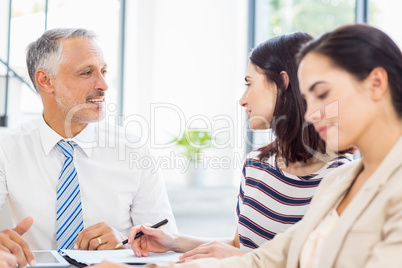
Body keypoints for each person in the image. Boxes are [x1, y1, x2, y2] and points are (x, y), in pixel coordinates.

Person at [131, 23, 402, 268]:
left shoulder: (348, 177)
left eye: (322, 94)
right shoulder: (341, 182)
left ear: (376, 84)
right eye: (308, 97)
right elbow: (263, 258)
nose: (310, 113)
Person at [0, 28, 177, 263]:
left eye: (104, 71)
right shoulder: (7, 149)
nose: (103, 85)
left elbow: (167, 245)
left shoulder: (132, 149)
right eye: (86, 73)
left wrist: (124, 242)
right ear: (45, 80)